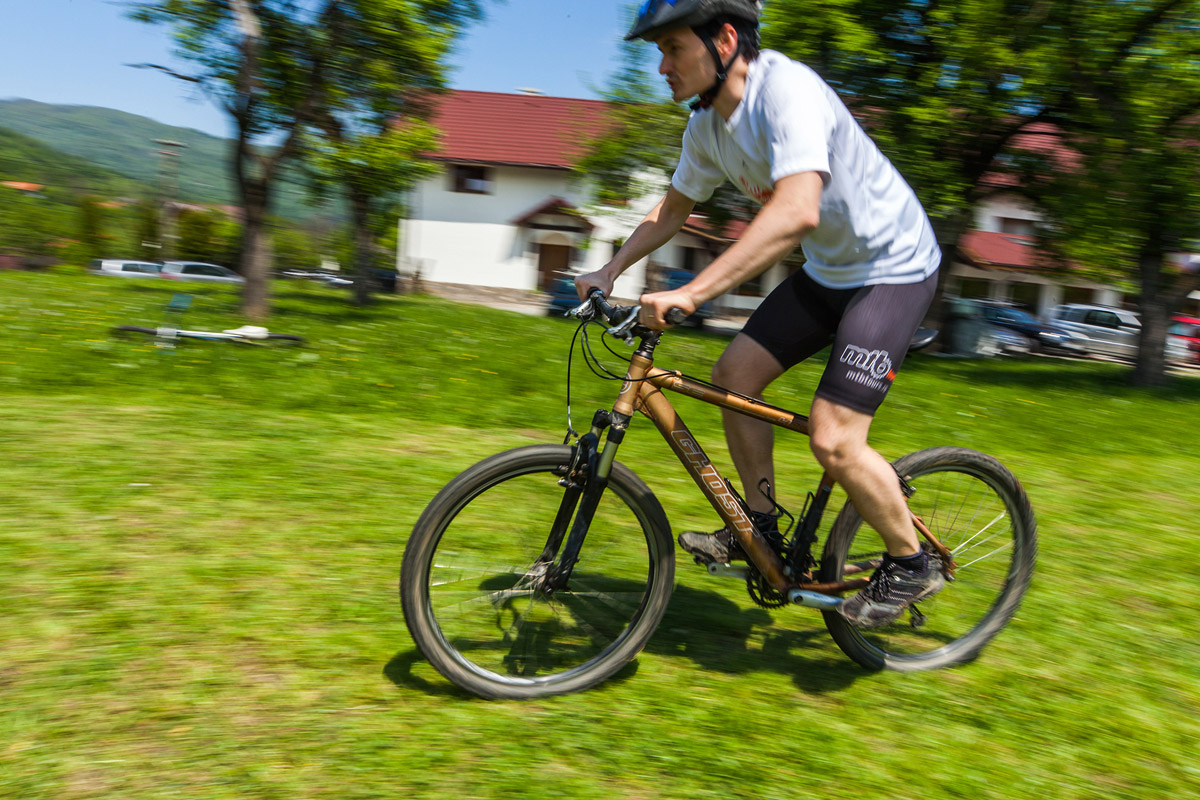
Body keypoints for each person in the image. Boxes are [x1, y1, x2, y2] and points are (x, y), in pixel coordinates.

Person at [575, 0, 944, 628]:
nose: (662, 67)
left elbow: (797, 210)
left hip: (893, 270)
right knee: (734, 377)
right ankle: (762, 529)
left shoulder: (786, 91)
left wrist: (693, 292)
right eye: (660, 52)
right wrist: (610, 270)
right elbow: (671, 211)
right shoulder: (707, 127)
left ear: (724, 41)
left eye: (673, 49)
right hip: (829, 272)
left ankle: (911, 563)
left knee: (833, 437)